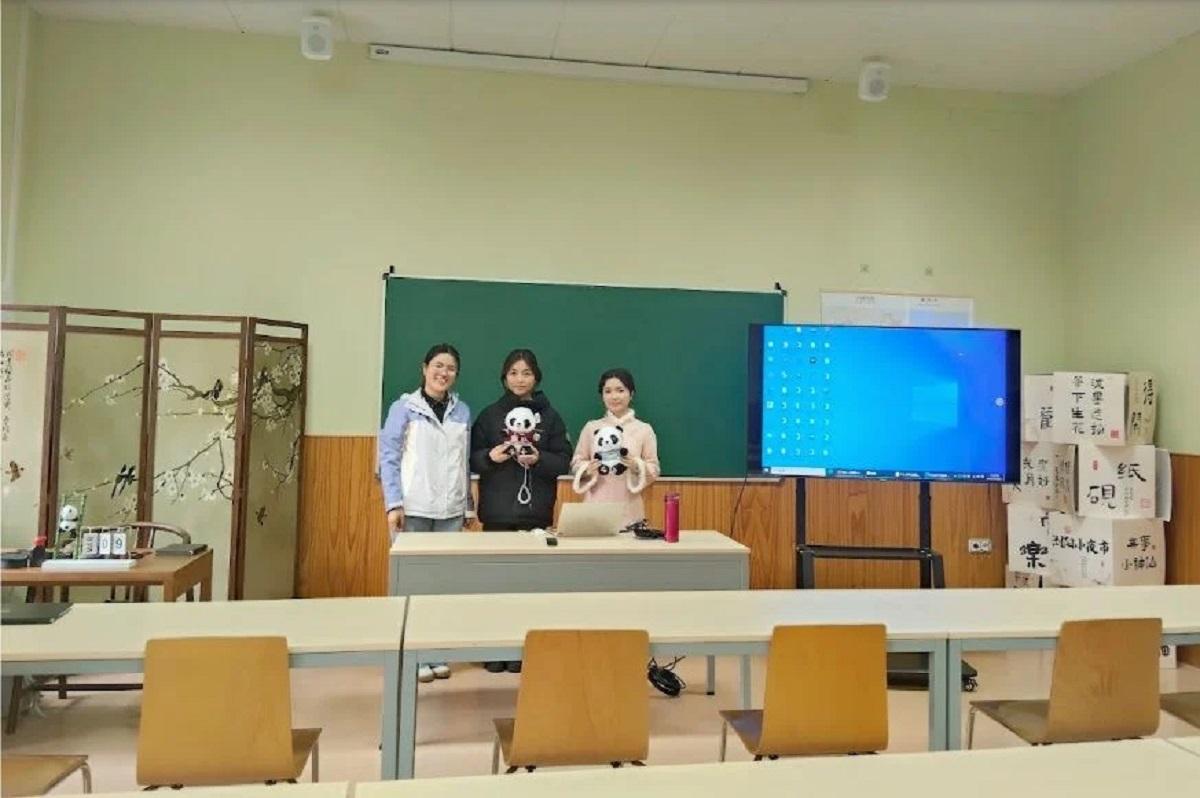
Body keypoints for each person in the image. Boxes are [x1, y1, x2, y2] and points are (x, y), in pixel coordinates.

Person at [470, 349, 571, 674]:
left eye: (526, 372)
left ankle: (522, 650)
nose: (520, 379)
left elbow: (564, 461)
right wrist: (490, 457)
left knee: (529, 587)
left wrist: (539, 459)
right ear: (504, 377)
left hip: (535, 515)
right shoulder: (489, 415)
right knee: (495, 586)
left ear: (536, 377)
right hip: (497, 514)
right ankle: (493, 649)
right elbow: (471, 458)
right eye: (513, 372)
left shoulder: (551, 417)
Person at [378, 343, 472, 683]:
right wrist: (393, 504)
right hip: (412, 508)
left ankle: (435, 652)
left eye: (450, 368)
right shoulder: (404, 408)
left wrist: (468, 506)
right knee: (412, 584)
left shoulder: (462, 411)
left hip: (450, 510)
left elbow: (463, 462)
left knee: (443, 585)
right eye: (438, 366)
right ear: (425, 368)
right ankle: (410, 655)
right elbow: (388, 456)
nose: (443, 373)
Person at [570, 368, 660, 525]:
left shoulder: (644, 429)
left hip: (630, 511)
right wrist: (586, 469)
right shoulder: (591, 428)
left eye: (620, 390)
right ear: (602, 396)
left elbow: (654, 469)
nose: (614, 396)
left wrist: (636, 465)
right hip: (595, 508)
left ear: (631, 394)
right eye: (608, 391)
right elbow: (576, 462)